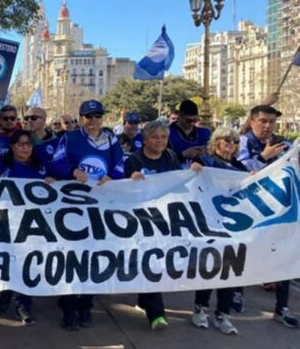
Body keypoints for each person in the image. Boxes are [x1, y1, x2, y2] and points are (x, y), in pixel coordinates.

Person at [52, 99, 123, 330]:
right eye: (88, 116)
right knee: (72, 257)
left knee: (96, 256)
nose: (93, 120)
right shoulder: (69, 138)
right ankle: (69, 307)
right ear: (81, 118)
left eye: (97, 116)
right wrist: (72, 171)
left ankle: (86, 305)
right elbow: (55, 164)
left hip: (100, 206)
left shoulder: (111, 139)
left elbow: (120, 165)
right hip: (72, 205)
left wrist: (113, 177)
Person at [124, 119, 201, 331]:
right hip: (141, 219)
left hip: (165, 218)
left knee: (155, 262)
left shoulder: (171, 156)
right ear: (144, 140)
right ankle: (157, 313)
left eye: (164, 137)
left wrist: (192, 172)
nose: (160, 141)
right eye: (155, 137)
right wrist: (131, 179)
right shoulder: (134, 160)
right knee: (150, 260)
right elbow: (120, 189)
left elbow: (178, 182)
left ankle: (145, 302)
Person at [237, 104, 299, 329]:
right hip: (250, 210)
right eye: (263, 121)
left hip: (279, 209)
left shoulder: (283, 143)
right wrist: (264, 157)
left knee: (285, 255)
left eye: (272, 122)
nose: (268, 126)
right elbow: (235, 170)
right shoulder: (242, 142)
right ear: (252, 121)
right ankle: (236, 292)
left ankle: (282, 308)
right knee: (245, 252)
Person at [190, 126, 245, 335]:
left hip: (232, 225)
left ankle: (223, 313)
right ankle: (200, 308)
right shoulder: (205, 162)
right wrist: (194, 169)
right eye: (226, 140)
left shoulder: (239, 166)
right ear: (216, 142)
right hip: (209, 224)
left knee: (230, 270)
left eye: (235, 141)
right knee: (210, 266)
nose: (231, 144)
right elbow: (190, 179)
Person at [0, 130, 55, 326]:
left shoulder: (41, 166)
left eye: (28, 144)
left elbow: (57, 181)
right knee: (8, 260)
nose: (25, 147)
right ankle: (5, 290)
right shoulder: (2, 165)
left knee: (29, 263)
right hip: (8, 221)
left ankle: (23, 304)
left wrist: (52, 181)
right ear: (12, 146)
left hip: (33, 224)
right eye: (21, 144)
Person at [168, 100, 211, 167]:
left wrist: (206, 153)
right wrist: (182, 155)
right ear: (180, 116)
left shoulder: (205, 133)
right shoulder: (166, 134)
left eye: (195, 120)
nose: (192, 123)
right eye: (188, 121)